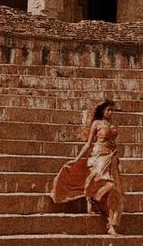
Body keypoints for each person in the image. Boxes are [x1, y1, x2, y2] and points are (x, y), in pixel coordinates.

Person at [49, 98, 125, 236]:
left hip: (111, 159)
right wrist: (76, 159)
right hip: (98, 158)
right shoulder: (96, 123)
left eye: (111, 109)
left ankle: (112, 224)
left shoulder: (112, 124)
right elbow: (88, 144)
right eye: (108, 109)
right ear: (102, 110)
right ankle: (93, 198)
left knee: (116, 192)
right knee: (109, 184)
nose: (110, 112)